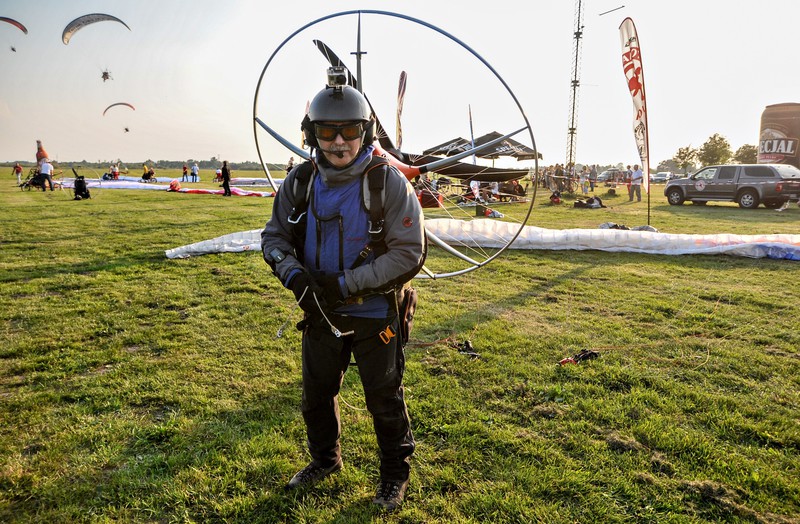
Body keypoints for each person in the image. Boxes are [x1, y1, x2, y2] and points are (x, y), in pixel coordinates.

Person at [260, 81, 426, 511]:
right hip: (319, 313)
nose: (338, 141)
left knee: (384, 399)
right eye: (326, 131)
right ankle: (324, 460)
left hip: (375, 313)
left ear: (366, 132)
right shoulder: (300, 182)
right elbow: (275, 237)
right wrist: (297, 279)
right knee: (316, 395)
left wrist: (344, 285)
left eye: (349, 130)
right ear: (310, 133)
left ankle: (393, 477)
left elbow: (410, 253)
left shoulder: (387, 183)